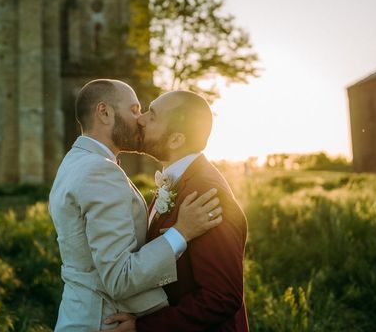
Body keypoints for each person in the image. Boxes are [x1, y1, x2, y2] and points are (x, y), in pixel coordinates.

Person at [49, 80, 223, 331]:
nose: (140, 119)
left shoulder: (75, 161)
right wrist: (181, 232)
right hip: (102, 322)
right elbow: (119, 278)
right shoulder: (99, 170)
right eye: (133, 109)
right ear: (104, 112)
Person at [105, 90, 249, 331]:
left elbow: (221, 297)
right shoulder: (177, 180)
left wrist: (144, 328)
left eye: (152, 116)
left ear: (176, 140)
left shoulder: (206, 195)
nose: (140, 119)